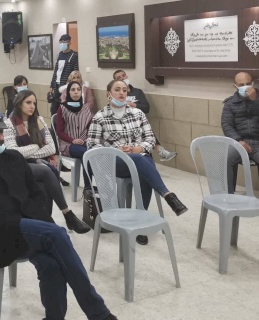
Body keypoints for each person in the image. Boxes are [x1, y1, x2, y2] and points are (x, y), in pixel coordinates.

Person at [0, 115, 118, 320]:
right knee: (57, 234)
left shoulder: (14, 158)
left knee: (51, 265)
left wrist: (40, 218)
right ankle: (99, 313)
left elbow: (35, 193)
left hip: (28, 225)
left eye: (1, 132)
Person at [87, 79, 188, 245]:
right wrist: (116, 151)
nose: (121, 93)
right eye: (117, 89)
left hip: (138, 156)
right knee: (143, 162)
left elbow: (150, 139)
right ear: (109, 94)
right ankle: (167, 195)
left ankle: (140, 220)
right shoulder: (100, 117)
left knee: (142, 167)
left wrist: (138, 148)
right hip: (115, 162)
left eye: (124, 90)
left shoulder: (138, 113)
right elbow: (92, 145)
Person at [4, 90, 89, 233]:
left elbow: (51, 148)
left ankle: (47, 223)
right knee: (46, 170)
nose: (32, 106)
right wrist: (37, 145)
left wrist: (30, 152)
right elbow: (14, 152)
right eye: (28, 102)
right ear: (19, 104)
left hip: (38, 163)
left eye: (34, 103)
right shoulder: (9, 124)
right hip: (19, 165)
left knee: (43, 185)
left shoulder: (39, 121)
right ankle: (67, 213)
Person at [222, 71, 259, 211]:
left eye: (248, 83)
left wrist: (255, 100)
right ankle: (228, 197)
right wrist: (238, 141)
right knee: (225, 158)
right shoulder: (230, 103)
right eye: (241, 85)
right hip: (240, 142)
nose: (245, 87)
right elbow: (226, 125)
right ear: (235, 86)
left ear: (253, 83)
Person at [112, 70, 176, 161]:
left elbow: (146, 108)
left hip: (139, 121)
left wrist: (133, 104)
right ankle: (159, 150)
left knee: (143, 126)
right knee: (143, 128)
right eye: (119, 78)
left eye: (123, 75)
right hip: (124, 124)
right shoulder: (116, 94)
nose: (122, 78)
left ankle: (158, 152)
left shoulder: (137, 92)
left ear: (127, 76)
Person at [55, 82, 94, 189]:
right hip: (68, 144)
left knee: (95, 151)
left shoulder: (86, 108)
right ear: (68, 92)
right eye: (73, 90)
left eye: (78, 89)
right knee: (86, 153)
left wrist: (86, 139)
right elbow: (59, 131)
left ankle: (99, 185)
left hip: (84, 142)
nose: (76, 92)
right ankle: (88, 188)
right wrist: (72, 140)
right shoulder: (62, 108)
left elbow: (90, 128)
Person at [49, 34, 79, 115]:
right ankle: (54, 123)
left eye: (64, 42)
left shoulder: (74, 55)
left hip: (66, 86)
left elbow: (75, 72)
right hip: (56, 86)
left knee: (64, 110)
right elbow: (56, 71)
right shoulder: (59, 54)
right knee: (53, 110)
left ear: (69, 42)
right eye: (61, 42)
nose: (62, 43)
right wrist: (51, 85)